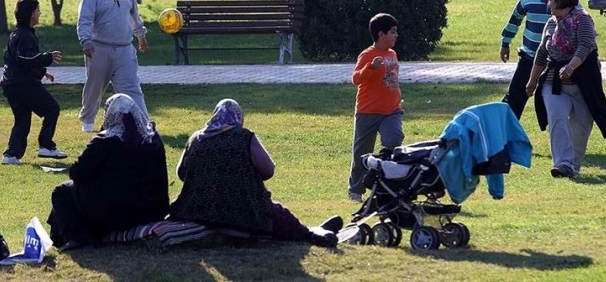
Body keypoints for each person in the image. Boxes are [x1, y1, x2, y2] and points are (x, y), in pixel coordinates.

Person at [169, 98, 341, 247]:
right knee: (279, 214)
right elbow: (268, 171)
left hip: (197, 210)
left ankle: (314, 231)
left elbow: (182, 173)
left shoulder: (196, 139)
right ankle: (311, 233)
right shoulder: (244, 137)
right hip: (243, 215)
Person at [47, 94, 170, 251]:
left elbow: (77, 174)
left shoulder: (105, 142)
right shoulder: (153, 139)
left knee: (61, 192)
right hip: (153, 209)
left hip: (117, 212)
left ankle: (81, 238)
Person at [525, 0, 606, 178]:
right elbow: (541, 53)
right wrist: (532, 81)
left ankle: (573, 167)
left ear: (562, 1)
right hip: (554, 84)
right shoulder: (552, 23)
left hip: (583, 84)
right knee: (558, 118)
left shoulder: (583, 19)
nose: (549, 3)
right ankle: (562, 164)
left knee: (581, 127)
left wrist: (570, 67)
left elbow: (586, 45)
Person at [76, 0, 149, 133]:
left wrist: (141, 35)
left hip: (124, 49)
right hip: (99, 49)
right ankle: (88, 120)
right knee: (95, 88)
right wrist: (86, 42)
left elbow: (134, 16)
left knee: (132, 87)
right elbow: (83, 21)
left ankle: (144, 124)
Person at [0, 0, 66, 165]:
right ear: (30, 14)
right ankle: (46, 146)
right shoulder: (24, 35)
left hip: (12, 84)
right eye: (37, 10)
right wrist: (47, 58)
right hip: (22, 85)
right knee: (52, 108)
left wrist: (42, 71)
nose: (40, 13)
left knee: (22, 119)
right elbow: (24, 59)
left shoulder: (19, 33)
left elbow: (20, 60)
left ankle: (11, 155)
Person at [500, 0, 568, 120]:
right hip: (529, 60)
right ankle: (503, 140)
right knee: (512, 104)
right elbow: (514, 20)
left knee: (557, 110)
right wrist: (505, 43)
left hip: (556, 65)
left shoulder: (569, 1)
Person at [347, 13, 404, 202]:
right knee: (361, 152)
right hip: (368, 111)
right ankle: (356, 189)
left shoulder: (392, 54)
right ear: (381, 34)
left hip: (392, 110)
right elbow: (356, 79)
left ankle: (387, 180)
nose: (396, 35)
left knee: (394, 139)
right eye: (393, 32)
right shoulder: (368, 54)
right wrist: (370, 68)